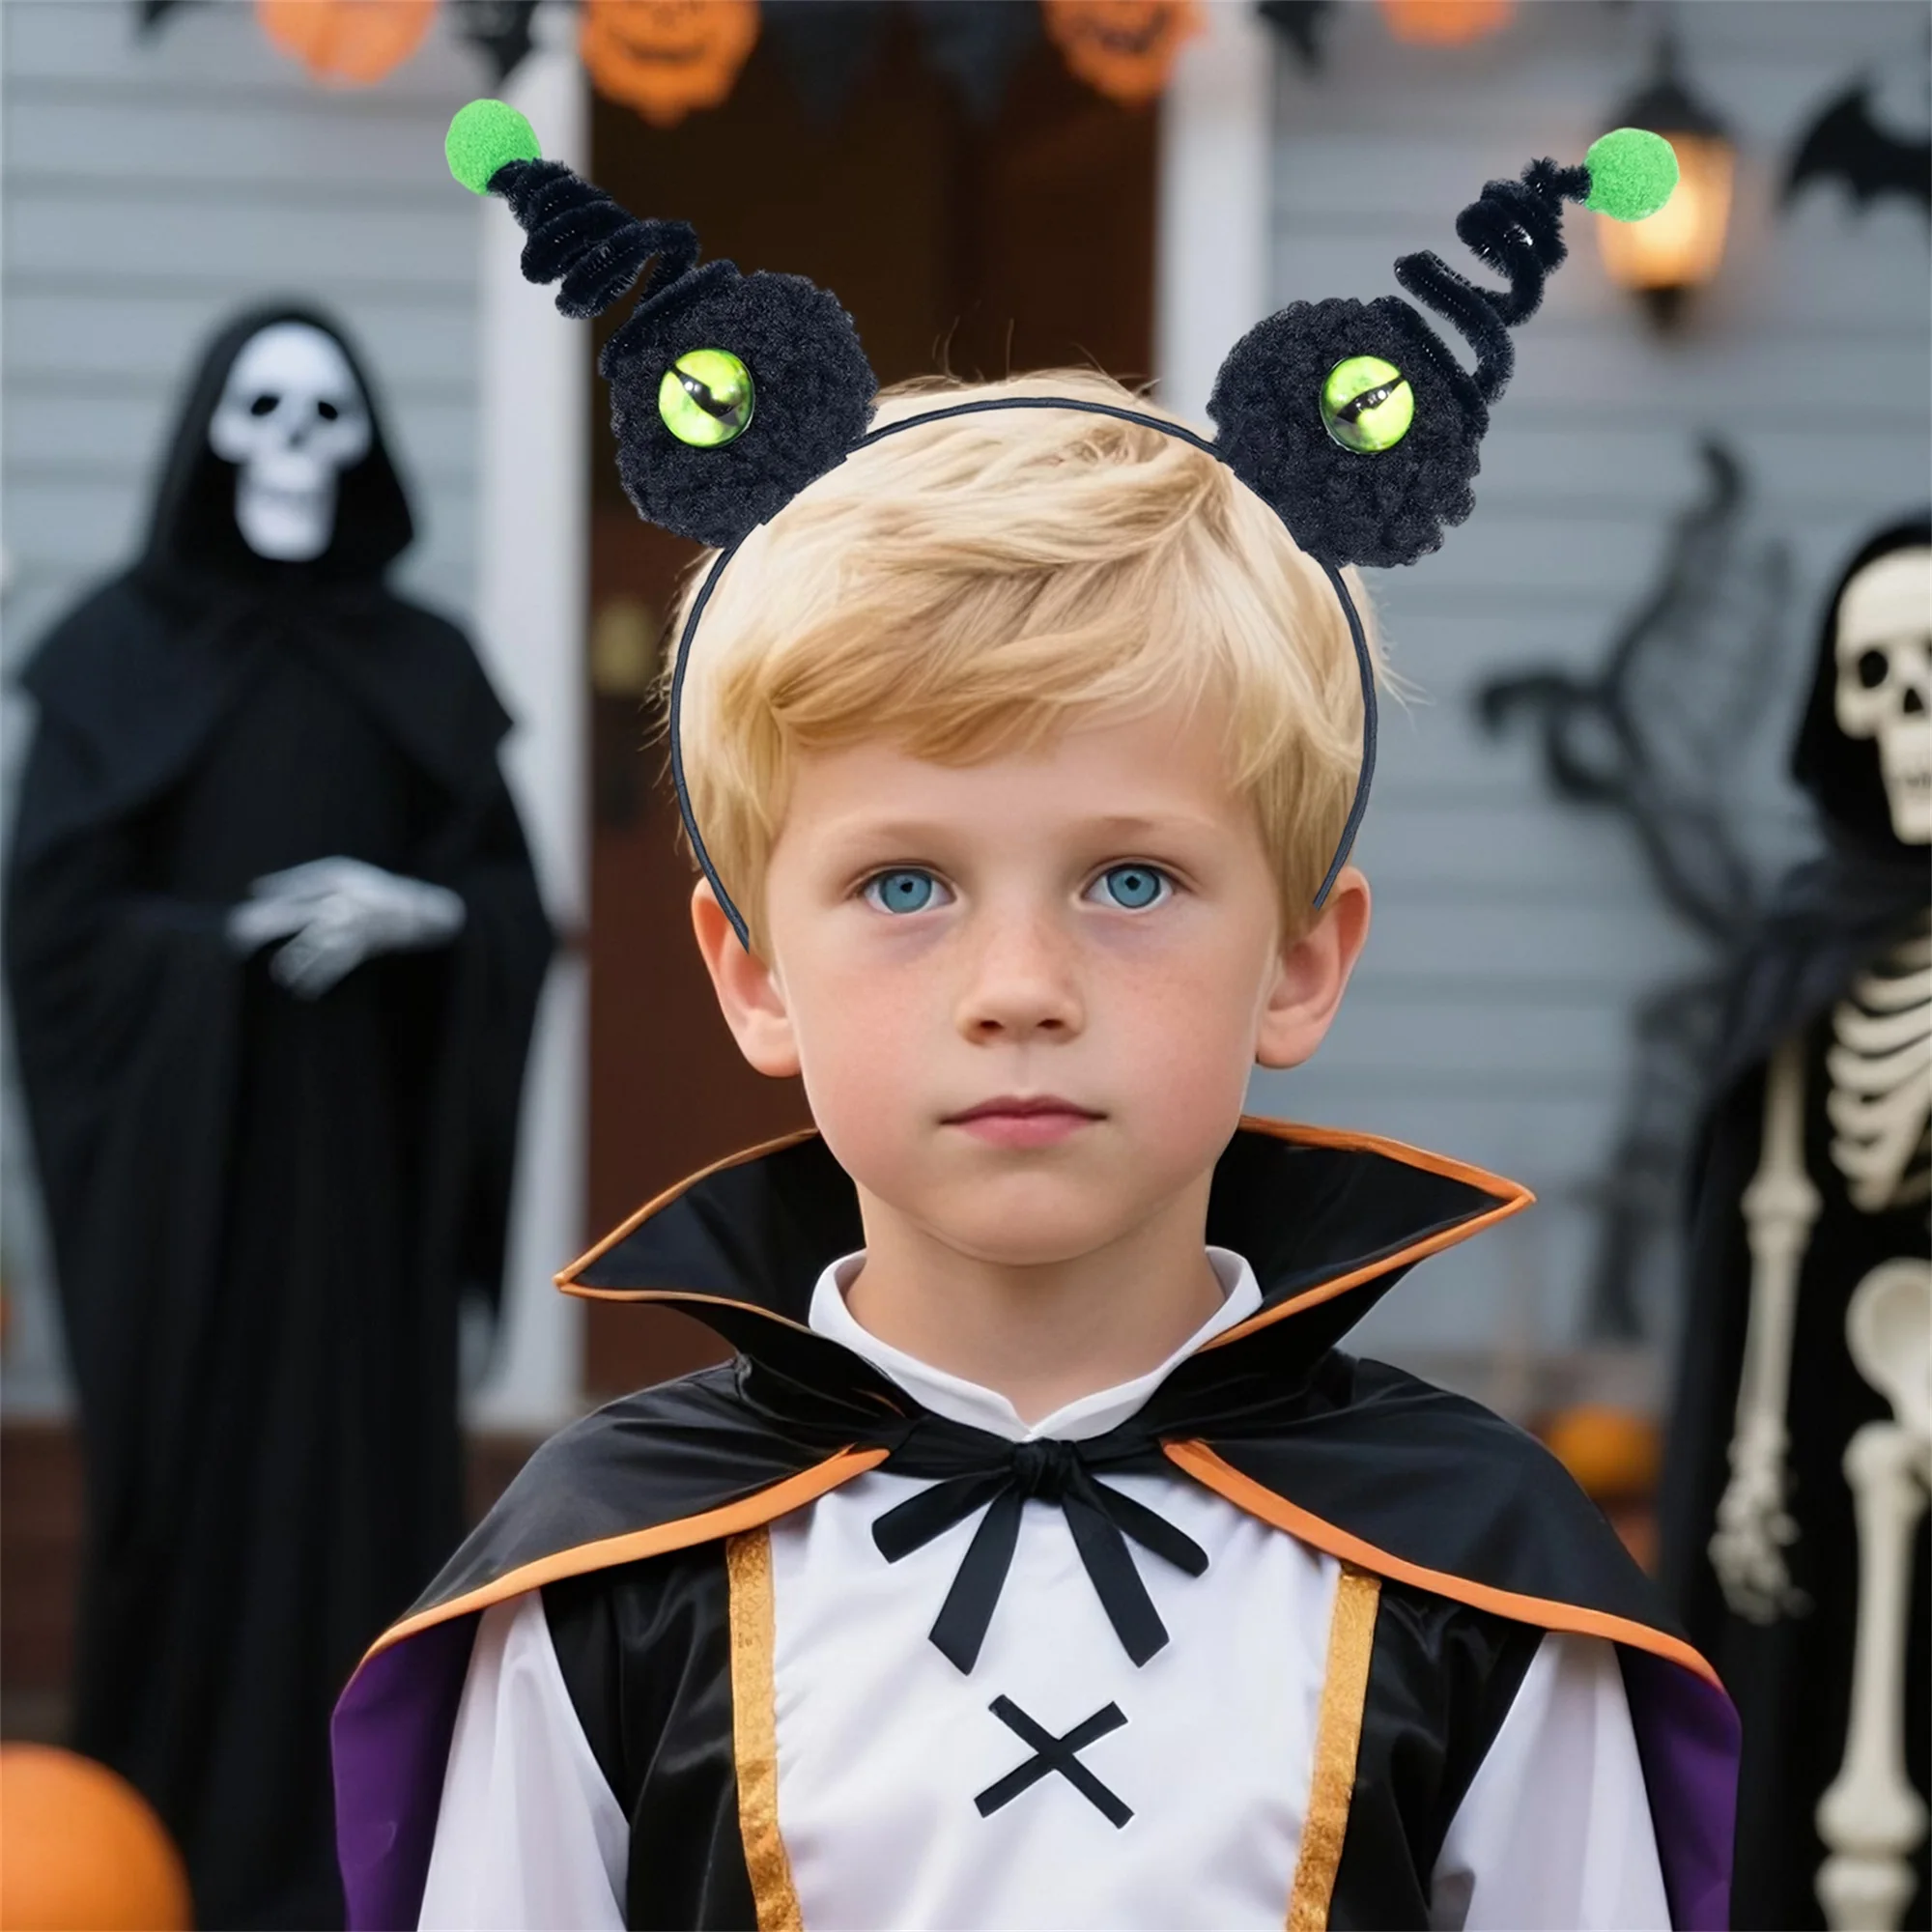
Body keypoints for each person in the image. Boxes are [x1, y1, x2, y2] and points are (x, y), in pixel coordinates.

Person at [331, 106, 1737, 1931]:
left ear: (1302, 959)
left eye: (1131, 882)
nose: (1018, 991)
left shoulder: (1475, 1586)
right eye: (904, 885)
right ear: (752, 968)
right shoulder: (600, 1580)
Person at [6, 305, 552, 1928]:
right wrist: (221, 948)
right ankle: (160, 1836)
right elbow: (53, 926)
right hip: (189, 1185)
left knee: (374, 1487)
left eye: (326, 414)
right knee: (190, 1485)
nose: (295, 447)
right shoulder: (115, 655)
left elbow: (510, 903)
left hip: (367, 1175)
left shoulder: (424, 665)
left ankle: (374, 1852)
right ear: (212, 435)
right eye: (265, 411)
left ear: (365, 445)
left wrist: (417, 913)